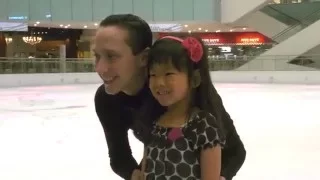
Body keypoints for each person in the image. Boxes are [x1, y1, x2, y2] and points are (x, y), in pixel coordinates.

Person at [93, 14, 246, 180]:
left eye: (112, 56)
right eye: (97, 56)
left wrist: (220, 176)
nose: (100, 68)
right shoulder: (107, 100)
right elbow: (120, 156)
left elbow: (234, 151)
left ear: (143, 58)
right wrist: (135, 173)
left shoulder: (179, 93)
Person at [139, 35, 225, 180]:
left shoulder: (202, 125)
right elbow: (145, 171)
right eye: (153, 74)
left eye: (168, 73)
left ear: (195, 79)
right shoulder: (154, 122)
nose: (159, 82)